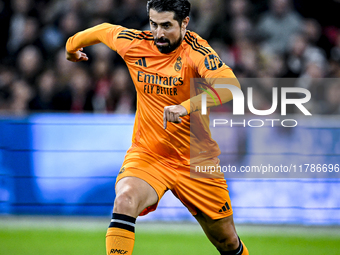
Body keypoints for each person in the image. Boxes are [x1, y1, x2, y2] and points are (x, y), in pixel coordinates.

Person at [65, 0, 249, 254]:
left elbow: (231, 87)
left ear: (185, 23)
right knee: (125, 199)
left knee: (227, 240)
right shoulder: (135, 43)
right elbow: (101, 30)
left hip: (195, 161)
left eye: (166, 25)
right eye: (154, 24)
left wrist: (187, 106)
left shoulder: (196, 51)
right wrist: (70, 48)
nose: (159, 33)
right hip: (149, 155)